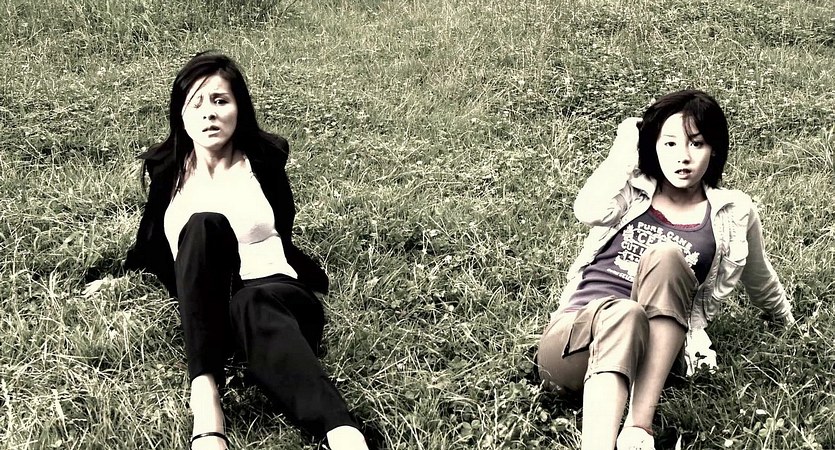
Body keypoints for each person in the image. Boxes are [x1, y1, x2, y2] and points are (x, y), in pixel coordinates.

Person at [123, 51, 369, 450]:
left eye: (220, 100)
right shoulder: (167, 169)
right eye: (196, 103)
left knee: (250, 301)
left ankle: (342, 432)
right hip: (208, 309)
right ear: (181, 115)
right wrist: (120, 276)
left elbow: (284, 228)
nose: (209, 113)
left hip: (274, 296)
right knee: (204, 223)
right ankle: (206, 403)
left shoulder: (264, 161)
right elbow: (150, 241)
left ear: (239, 109)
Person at [536, 89, 795, 450]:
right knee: (624, 312)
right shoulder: (633, 191)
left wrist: (787, 322)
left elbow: (759, 274)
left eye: (696, 143)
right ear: (653, 146)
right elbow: (588, 210)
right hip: (575, 343)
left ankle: (637, 427)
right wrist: (625, 147)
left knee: (667, 257)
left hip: (650, 354)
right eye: (669, 143)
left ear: (714, 148)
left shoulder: (732, 211)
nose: (683, 157)